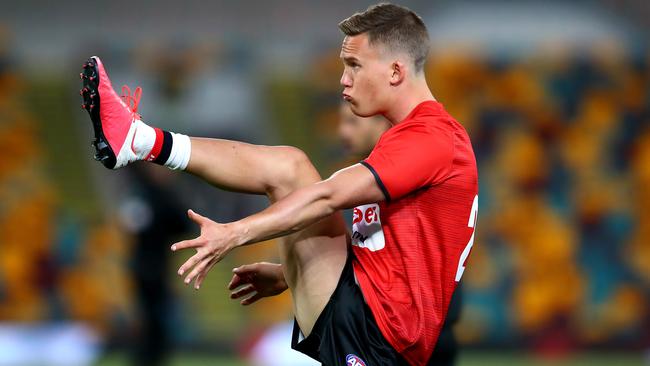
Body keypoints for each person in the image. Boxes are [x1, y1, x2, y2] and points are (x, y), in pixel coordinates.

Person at [79, 4, 478, 365]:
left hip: (383, 338)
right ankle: (141, 140)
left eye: (354, 65)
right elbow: (395, 253)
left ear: (395, 71)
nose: (343, 79)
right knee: (291, 165)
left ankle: (141, 140)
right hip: (371, 315)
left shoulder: (434, 138)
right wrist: (289, 274)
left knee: (295, 172)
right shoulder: (412, 136)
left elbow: (328, 196)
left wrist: (236, 233)